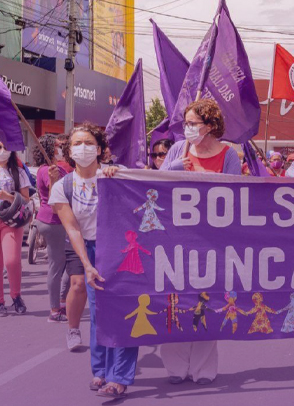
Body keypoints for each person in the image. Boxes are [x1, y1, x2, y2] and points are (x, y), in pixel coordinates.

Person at [49, 123, 138, 398]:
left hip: (122, 250)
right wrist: (87, 265)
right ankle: (100, 371)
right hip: (90, 249)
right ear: (69, 151)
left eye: (89, 143)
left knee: (122, 312)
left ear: (99, 149)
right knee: (99, 312)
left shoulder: (115, 175)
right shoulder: (62, 187)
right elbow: (73, 229)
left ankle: (119, 377)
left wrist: (118, 175)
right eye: (77, 144)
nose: (83, 148)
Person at [158, 98, 241, 385]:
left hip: (213, 241)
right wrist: (173, 171)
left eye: (193, 124)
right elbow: (154, 183)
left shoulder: (229, 155)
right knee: (176, 300)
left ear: (209, 126)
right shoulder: (179, 150)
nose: (187, 128)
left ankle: (203, 369)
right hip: (177, 237)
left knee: (207, 301)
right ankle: (175, 368)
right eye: (186, 123)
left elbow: (235, 194)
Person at [34, 134, 69, 322]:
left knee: (68, 263)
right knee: (57, 266)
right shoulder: (47, 170)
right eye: (57, 145)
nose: (60, 147)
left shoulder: (55, 167)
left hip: (60, 221)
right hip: (53, 221)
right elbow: (54, 196)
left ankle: (62, 301)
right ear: (48, 148)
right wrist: (54, 179)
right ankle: (55, 310)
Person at [0, 142, 30, 316]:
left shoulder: (18, 172)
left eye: (5, 147)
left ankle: (16, 296)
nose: (2, 151)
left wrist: (7, 196)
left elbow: (25, 199)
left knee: (12, 261)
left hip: (11, 220)